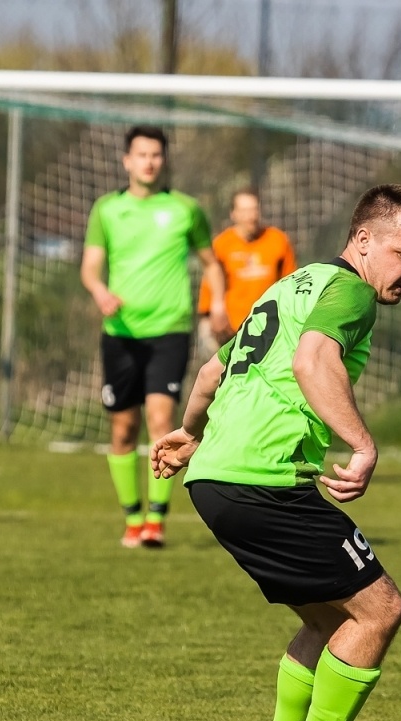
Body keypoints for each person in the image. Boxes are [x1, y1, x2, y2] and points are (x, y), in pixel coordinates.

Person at [151, 184, 401, 721]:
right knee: (380, 609)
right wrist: (360, 444)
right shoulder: (351, 291)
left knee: (329, 620)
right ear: (364, 240)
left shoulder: (292, 285)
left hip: (216, 480)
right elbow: (314, 359)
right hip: (264, 479)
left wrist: (191, 433)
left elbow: (209, 375)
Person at [81, 126, 230, 549]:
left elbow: (211, 263)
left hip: (169, 329)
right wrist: (99, 291)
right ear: (127, 160)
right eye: (141, 154)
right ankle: (131, 518)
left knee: (163, 421)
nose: (149, 161)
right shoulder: (107, 210)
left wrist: (218, 303)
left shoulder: (186, 209)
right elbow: (90, 266)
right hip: (121, 334)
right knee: (123, 428)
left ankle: (156, 521)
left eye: (156, 155)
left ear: (164, 161)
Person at [195, 189, 296, 358]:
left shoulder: (278, 240)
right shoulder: (222, 244)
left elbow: (290, 284)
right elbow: (209, 288)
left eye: (254, 209)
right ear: (233, 214)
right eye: (244, 211)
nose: (251, 216)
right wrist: (208, 321)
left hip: (269, 329)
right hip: (231, 331)